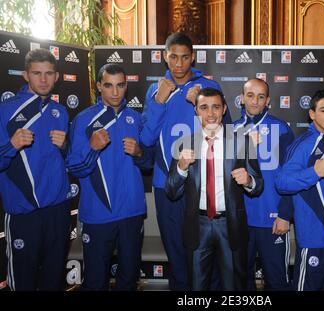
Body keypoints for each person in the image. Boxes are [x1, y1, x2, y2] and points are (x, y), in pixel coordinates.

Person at [140, 32, 230, 290]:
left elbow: (226, 132)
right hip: (166, 181)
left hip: (204, 181)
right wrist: (159, 100)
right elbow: (146, 139)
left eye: (185, 58)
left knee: (207, 255)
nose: (179, 64)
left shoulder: (208, 87)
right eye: (173, 57)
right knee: (177, 257)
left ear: (193, 57)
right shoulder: (155, 90)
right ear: (163, 57)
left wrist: (198, 104)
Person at [165, 87, 263, 290]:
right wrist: (181, 168)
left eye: (216, 107)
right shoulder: (184, 143)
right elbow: (171, 191)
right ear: (196, 111)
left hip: (231, 225)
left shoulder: (241, 142)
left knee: (233, 287)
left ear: (224, 109)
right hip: (197, 226)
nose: (210, 113)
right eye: (204, 107)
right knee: (197, 286)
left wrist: (248, 181)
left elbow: (259, 186)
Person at [66, 64, 151, 290]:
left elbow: (148, 163)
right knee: (95, 280)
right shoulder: (83, 120)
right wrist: (92, 148)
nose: (115, 92)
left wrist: (140, 152)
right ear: (98, 87)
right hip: (98, 214)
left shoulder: (136, 118)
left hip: (131, 212)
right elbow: (75, 167)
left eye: (120, 85)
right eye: (109, 85)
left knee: (129, 277)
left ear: (126, 86)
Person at [0, 48, 71, 290]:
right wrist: (11, 146)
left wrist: (65, 148)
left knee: (53, 280)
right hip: (24, 213)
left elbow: (67, 161)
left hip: (57, 211)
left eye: (49, 73)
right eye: (37, 73)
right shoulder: (6, 110)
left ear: (57, 76)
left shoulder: (60, 111)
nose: (43, 80)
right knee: (23, 281)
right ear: (25, 75)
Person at [276, 89, 324, 291]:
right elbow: (282, 182)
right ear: (312, 114)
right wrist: (313, 172)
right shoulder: (304, 145)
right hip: (314, 236)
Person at [233, 78, 294, 290]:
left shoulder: (281, 129)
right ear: (241, 99)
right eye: (250, 95)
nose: (255, 101)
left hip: (273, 220)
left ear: (267, 101)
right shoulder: (230, 130)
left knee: (277, 280)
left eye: (261, 97)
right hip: (240, 222)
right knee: (241, 279)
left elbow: (290, 175)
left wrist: (285, 214)